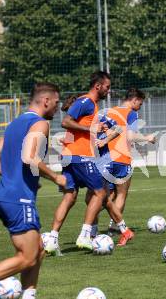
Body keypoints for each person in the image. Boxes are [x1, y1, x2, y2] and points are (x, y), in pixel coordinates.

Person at [0, 83, 66, 299]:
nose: (58, 108)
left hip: (6, 196)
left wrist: (15, 178)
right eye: (57, 103)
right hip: (19, 199)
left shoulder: (14, 124)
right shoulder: (39, 124)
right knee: (28, 257)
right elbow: (30, 157)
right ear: (46, 101)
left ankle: (29, 296)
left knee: (38, 250)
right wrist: (56, 176)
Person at [46, 71, 133, 252]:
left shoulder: (92, 107)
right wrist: (91, 128)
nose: (108, 91)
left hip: (70, 155)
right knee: (100, 193)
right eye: (107, 87)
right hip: (80, 156)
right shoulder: (86, 102)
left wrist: (98, 131)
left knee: (70, 197)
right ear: (98, 86)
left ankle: (52, 239)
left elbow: (79, 129)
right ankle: (86, 235)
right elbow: (66, 122)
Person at [97, 88, 156, 244]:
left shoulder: (108, 112)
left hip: (105, 158)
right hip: (122, 158)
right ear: (134, 100)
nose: (140, 107)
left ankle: (92, 228)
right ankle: (115, 227)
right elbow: (130, 136)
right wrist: (146, 138)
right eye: (140, 103)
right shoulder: (131, 113)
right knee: (121, 194)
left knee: (105, 197)